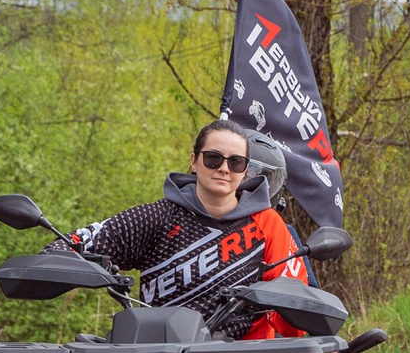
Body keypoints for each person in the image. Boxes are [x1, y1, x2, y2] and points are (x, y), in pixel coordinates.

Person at [74, 119, 313, 340]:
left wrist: (322, 336)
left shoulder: (268, 224)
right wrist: (58, 258)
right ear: (194, 161)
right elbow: (76, 242)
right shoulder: (158, 216)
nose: (223, 168)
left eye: (235, 162)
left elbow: (294, 321)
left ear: (244, 170)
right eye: (213, 158)